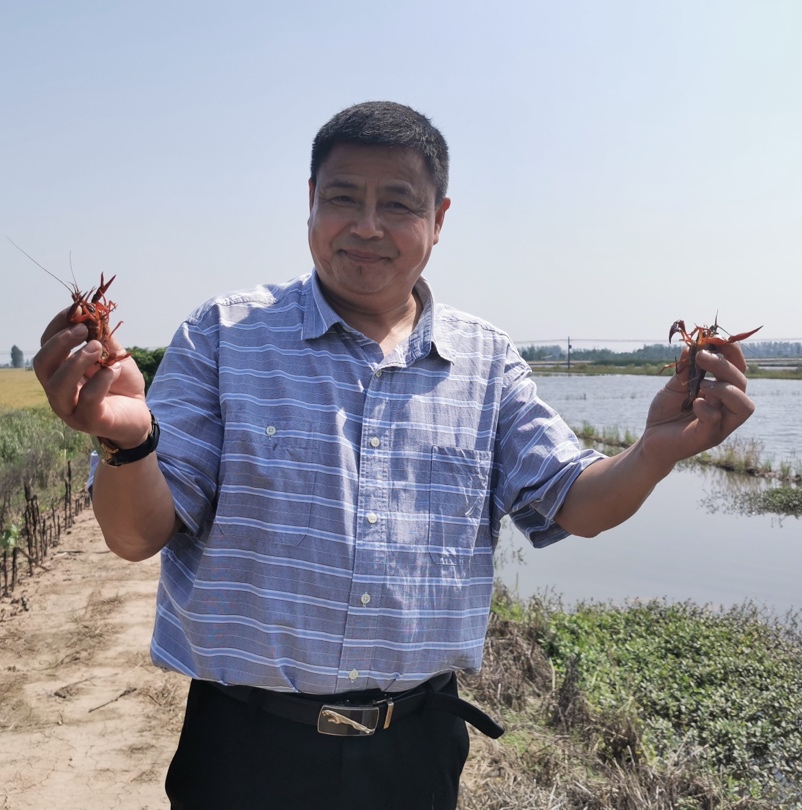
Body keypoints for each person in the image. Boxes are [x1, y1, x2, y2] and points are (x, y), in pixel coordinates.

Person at [34, 101, 756, 810]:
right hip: (244, 749)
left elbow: (577, 502)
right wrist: (127, 439)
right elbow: (135, 536)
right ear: (311, 203)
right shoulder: (224, 334)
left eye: (399, 205)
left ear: (439, 219)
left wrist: (656, 450)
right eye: (343, 198)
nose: (367, 226)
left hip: (415, 751)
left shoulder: (486, 360)